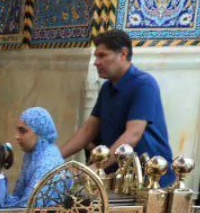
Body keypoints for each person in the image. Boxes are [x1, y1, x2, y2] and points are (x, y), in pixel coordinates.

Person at [58, 30, 173, 185]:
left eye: (102, 56)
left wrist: (94, 168)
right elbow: (88, 131)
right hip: (117, 175)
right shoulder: (107, 88)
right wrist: (55, 158)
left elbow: (133, 134)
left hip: (148, 178)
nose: (96, 62)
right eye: (96, 56)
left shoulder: (144, 84)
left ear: (123, 54)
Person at [0, 108, 66, 208]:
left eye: (23, 131)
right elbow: (19, 196)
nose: (17, 136)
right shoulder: (34, 154)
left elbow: (28, 206)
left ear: (39, 132)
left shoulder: (47, 164)